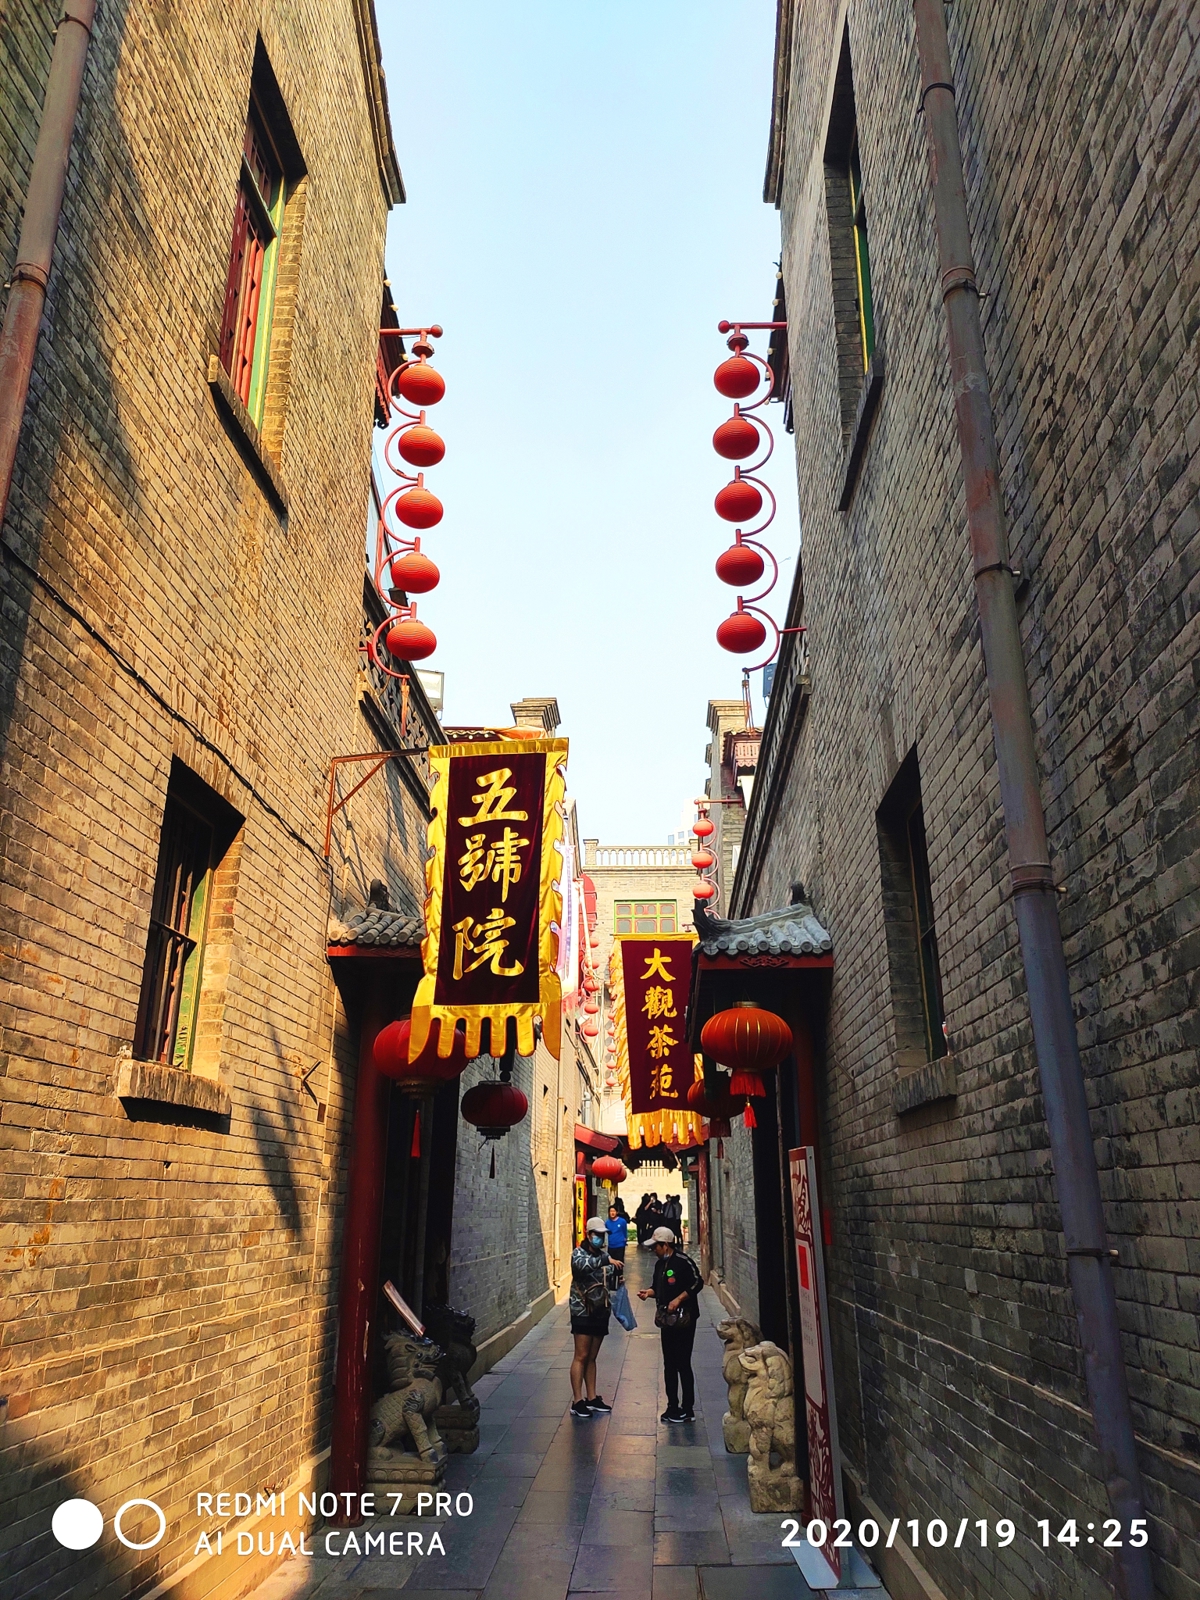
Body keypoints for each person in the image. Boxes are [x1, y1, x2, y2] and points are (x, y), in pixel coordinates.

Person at [637, 1225, 703, 1423]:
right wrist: (648, 1293)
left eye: (656, 1247)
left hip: (684, 1319)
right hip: (667, 1320)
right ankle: (672, 1406)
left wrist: (679, 1299)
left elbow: (697, 1282)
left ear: (665, 1245)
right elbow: (657, 1288)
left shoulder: (683, 1262)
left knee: (683, 1362)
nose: (654, 1250)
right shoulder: (660, 1265)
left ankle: (687, 1408)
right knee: (669, 1363)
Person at [569, 1216, 621, 1418]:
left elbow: (608, 1278)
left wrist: (617, 1275)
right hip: (582, 1310)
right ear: (588, 1235)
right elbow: (583, 1266)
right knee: (581, 1355)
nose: (600, 1238)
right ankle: (577, 1400)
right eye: (597, 1234)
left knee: (592, 1357)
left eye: (603, 1235)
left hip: (600, 1310)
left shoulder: (604, 1256)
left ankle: (591, 1397)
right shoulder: (579, 1254)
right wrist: (606, 1261)